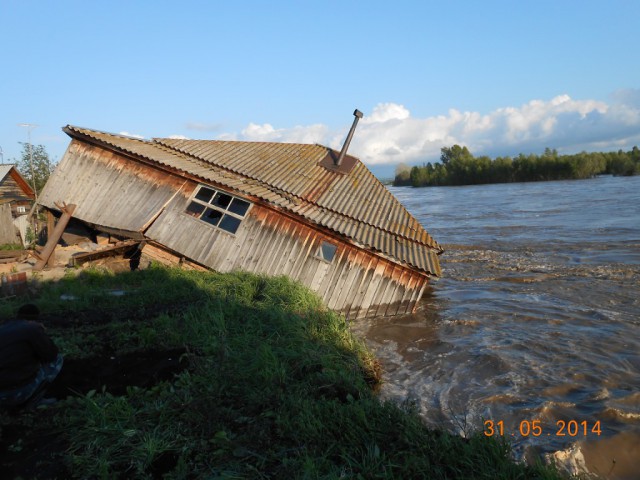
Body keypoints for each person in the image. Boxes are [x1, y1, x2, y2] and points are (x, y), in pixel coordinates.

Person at [0, 304, 63, 409]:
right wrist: (41, 332)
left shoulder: (2, 328)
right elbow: (51, 354)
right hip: (14, 394)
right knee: (57, 360)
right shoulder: (33, 328)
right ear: (36, 318)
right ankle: (33, 400)